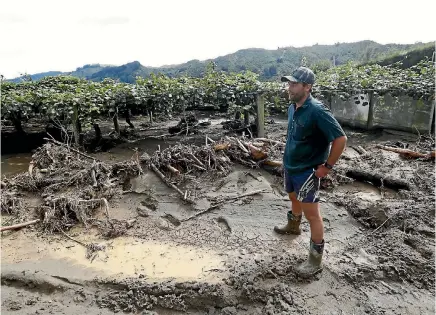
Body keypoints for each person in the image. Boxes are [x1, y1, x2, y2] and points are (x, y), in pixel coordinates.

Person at [275, 66, 347, 277]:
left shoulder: (317, 111)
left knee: (312, 215)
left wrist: (327, 167)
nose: (289, 87)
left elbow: (341, 139)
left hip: (307, 171)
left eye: (294, 84)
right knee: (292, 196)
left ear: (307, 87)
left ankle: (315, 260)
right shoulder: (293, 107)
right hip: (291, 165)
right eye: (289, 83)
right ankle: (293, 226)